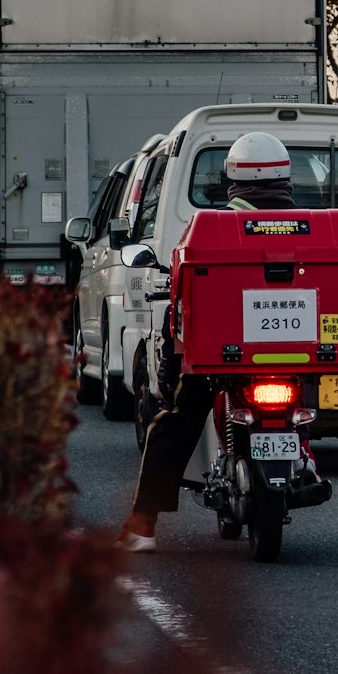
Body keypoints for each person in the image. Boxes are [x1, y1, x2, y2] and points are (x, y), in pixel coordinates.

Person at [119, 131, 295, 552]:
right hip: (294, 349)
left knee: (175, 418)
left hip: (223, 354)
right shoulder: (312, 225)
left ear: (233, 177)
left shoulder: (212, 227)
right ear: (285, 177)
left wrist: (167, 370)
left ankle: (142, 528)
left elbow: (179, 296)